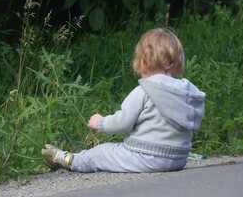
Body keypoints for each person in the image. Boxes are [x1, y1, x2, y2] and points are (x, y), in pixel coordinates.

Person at [42, 28, 206, 173]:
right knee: (110, 151)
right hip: (178, 159)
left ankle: (68, 159)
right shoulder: (186, 91)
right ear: (175, 61)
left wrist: (101, 123)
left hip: (146, 157)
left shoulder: (144, 90)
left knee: (101, 152)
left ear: (142, 61)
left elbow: (123, 123)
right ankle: (68, 158)